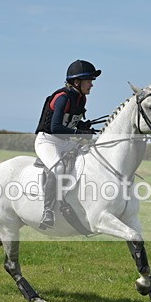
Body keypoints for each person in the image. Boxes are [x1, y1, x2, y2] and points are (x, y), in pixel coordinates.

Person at [34, 59, 100, 229]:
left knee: (89, 156)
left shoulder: (81, 99)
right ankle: (48, 210)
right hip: (47, 141)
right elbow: (56, 128)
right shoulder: (62, 97)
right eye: (89, 81)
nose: (91, 84)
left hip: (64, 142)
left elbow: (71, 123)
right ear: (77, 82)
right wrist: (80, 133)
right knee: (58, 168)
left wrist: (83, 127)